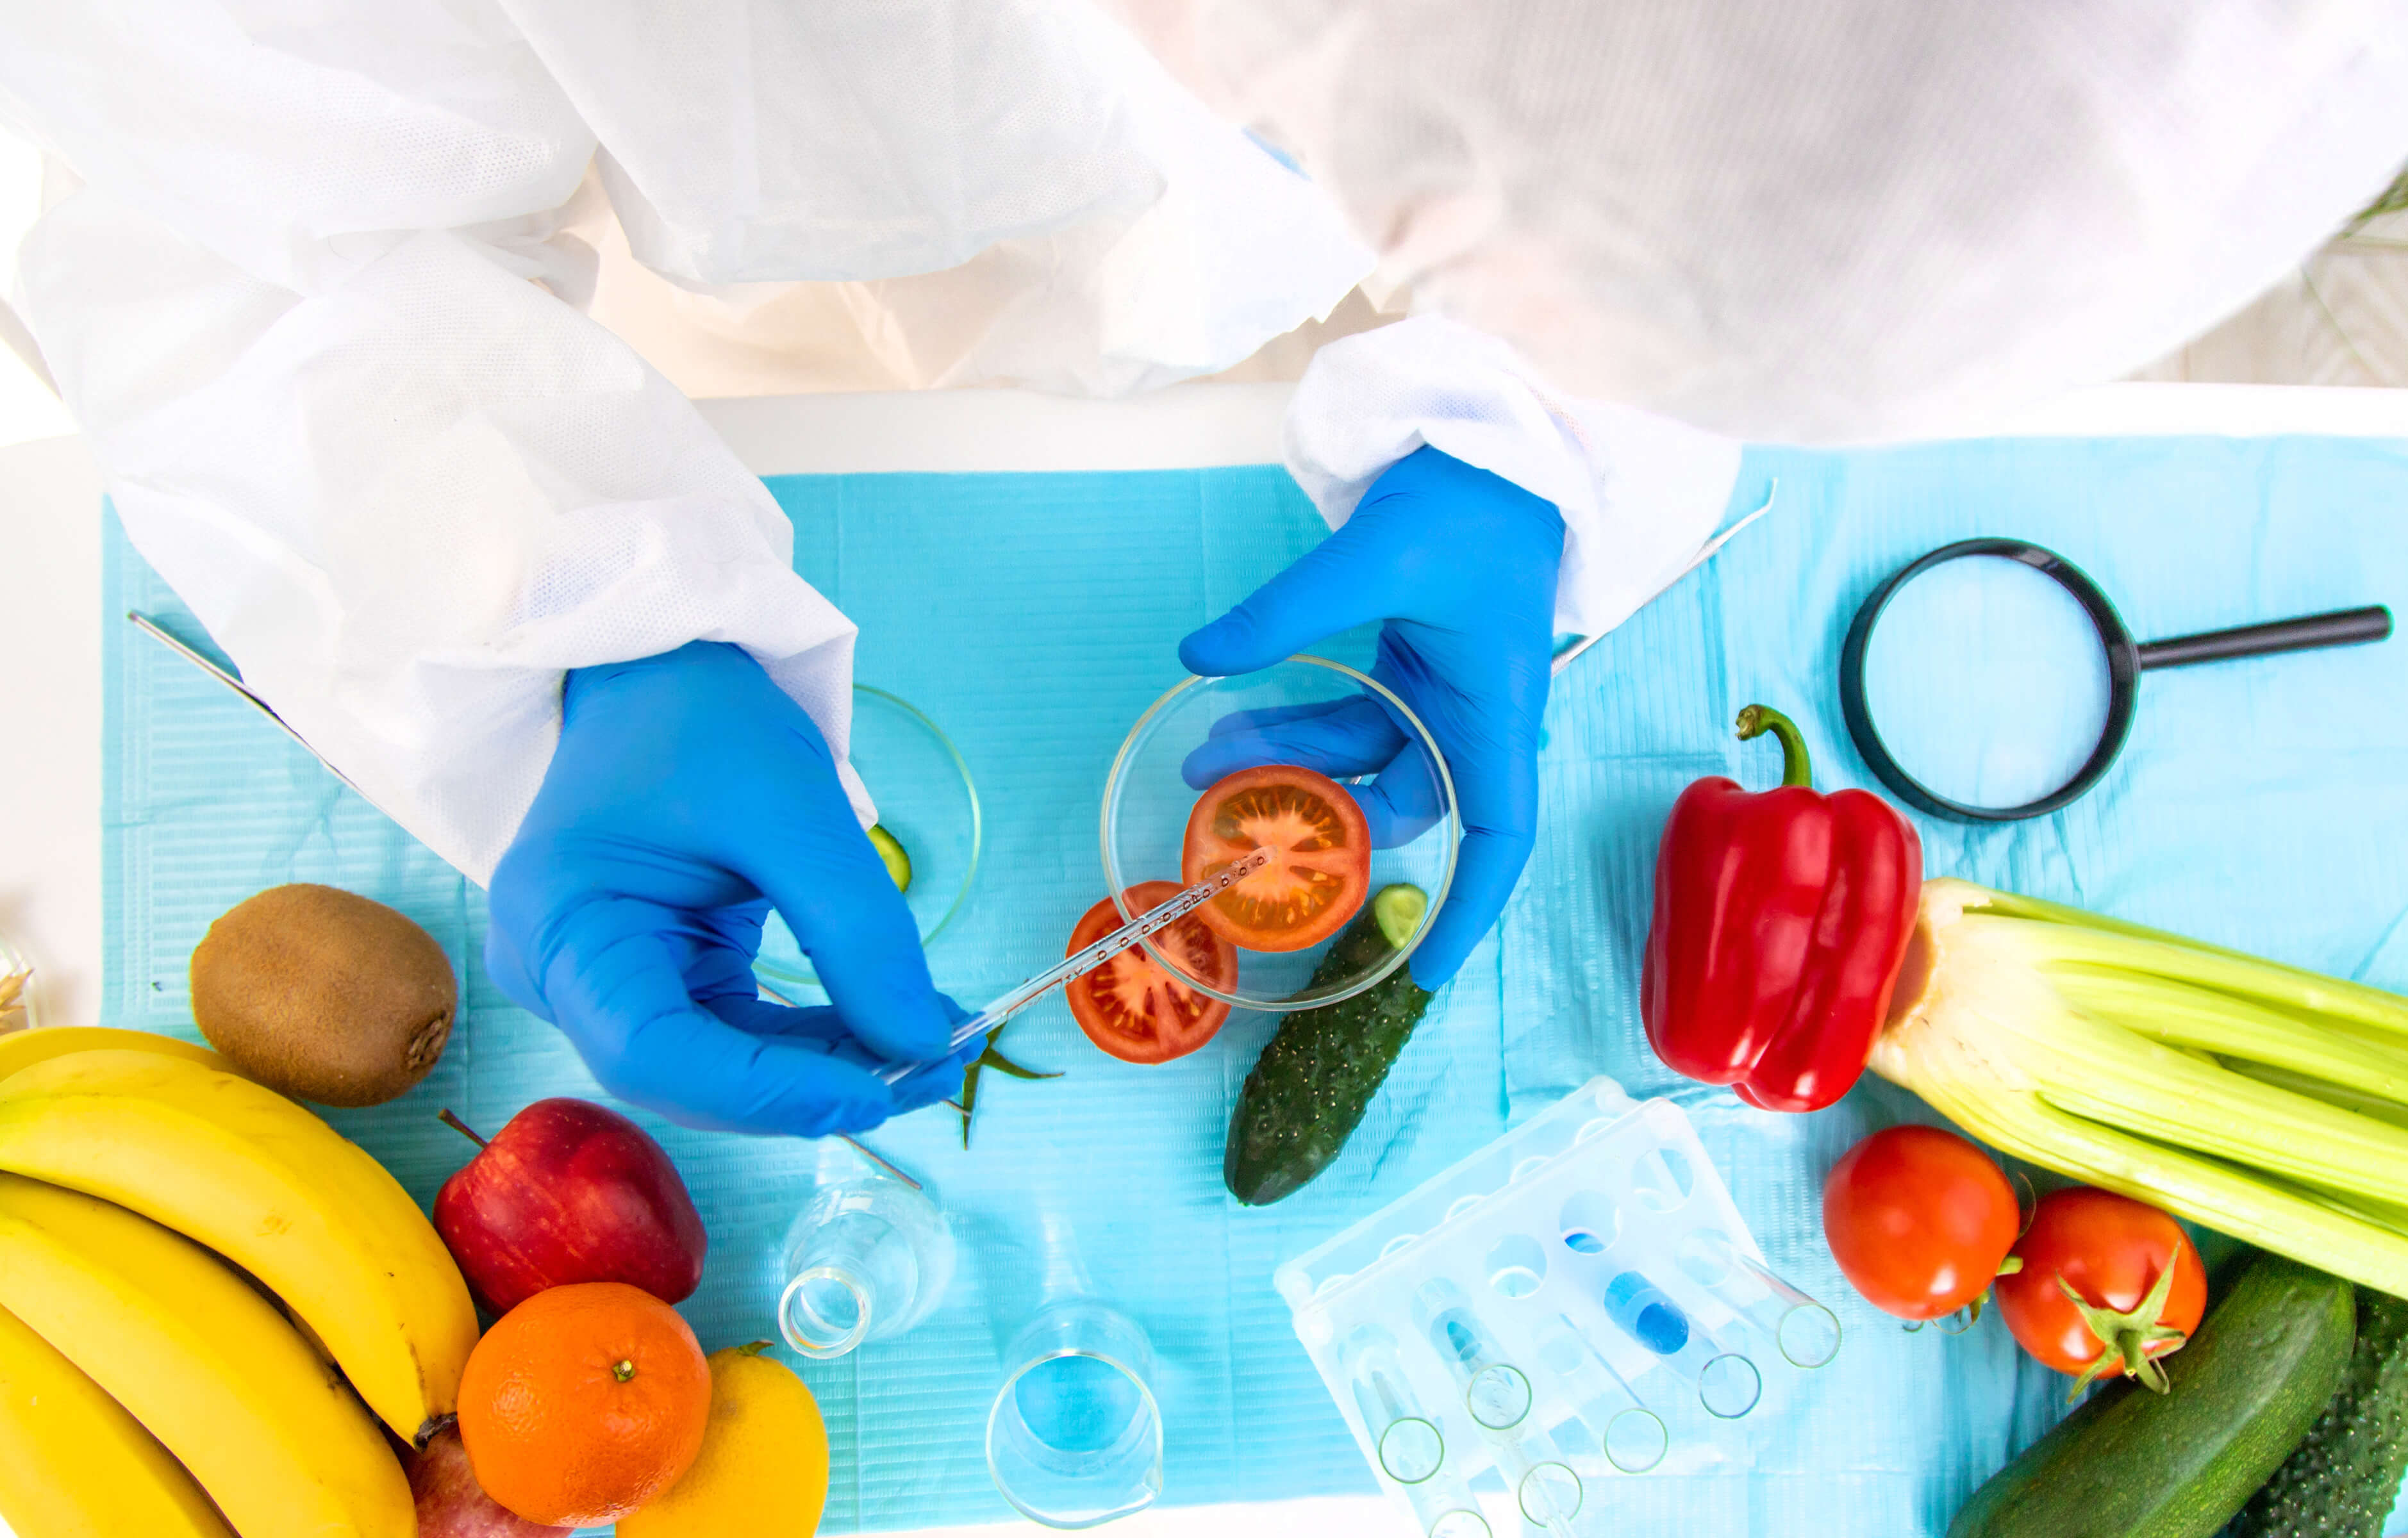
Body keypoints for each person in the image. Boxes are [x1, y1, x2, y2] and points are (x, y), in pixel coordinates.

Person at [6, 1, 2404, 1137]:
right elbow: (218, 217)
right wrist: (530, 621)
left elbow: (1791, 191)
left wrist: (1543, 432)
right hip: (750, 236)